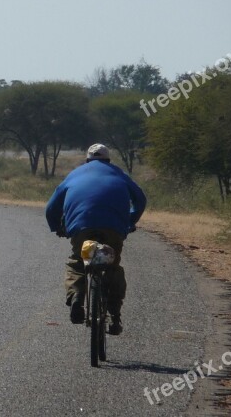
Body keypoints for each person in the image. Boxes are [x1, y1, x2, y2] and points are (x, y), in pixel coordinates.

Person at [45, 143, 146, 335]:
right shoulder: (119, 174)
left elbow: (51, 207)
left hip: (80, 227)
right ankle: (114, 316)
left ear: (87, 160)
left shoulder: (75, 174)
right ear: (108, 160)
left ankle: (76, 296)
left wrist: (57, 228)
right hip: (113, 227)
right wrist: (130, 221)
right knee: (112, 266)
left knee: (77, 263)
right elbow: (140, 200)